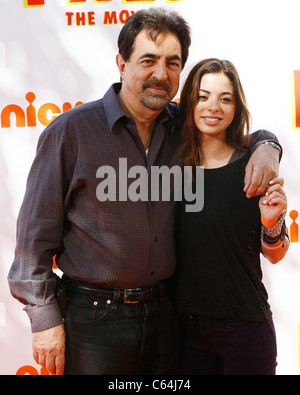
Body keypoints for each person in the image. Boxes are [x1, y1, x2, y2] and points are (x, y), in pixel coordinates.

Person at [8, 9, 282, 375]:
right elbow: (33, 241)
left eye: (172, 63)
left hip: (167, 319)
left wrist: (268, 146)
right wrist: (44, 322)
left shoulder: (182, 126)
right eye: (148, 60)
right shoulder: (71, 133)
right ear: (121, 63)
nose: (160, 74)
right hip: (93, 322)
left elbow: (234, 133)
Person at [176, 58, 289, 375]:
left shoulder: (254, 168)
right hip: (183, 332)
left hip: (245, 330)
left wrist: (270, 223)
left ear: (236, 106)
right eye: (203, 96)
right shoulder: (169, 167)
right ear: (188, 102)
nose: (213, 107)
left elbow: (276, 254)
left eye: (225, 98)